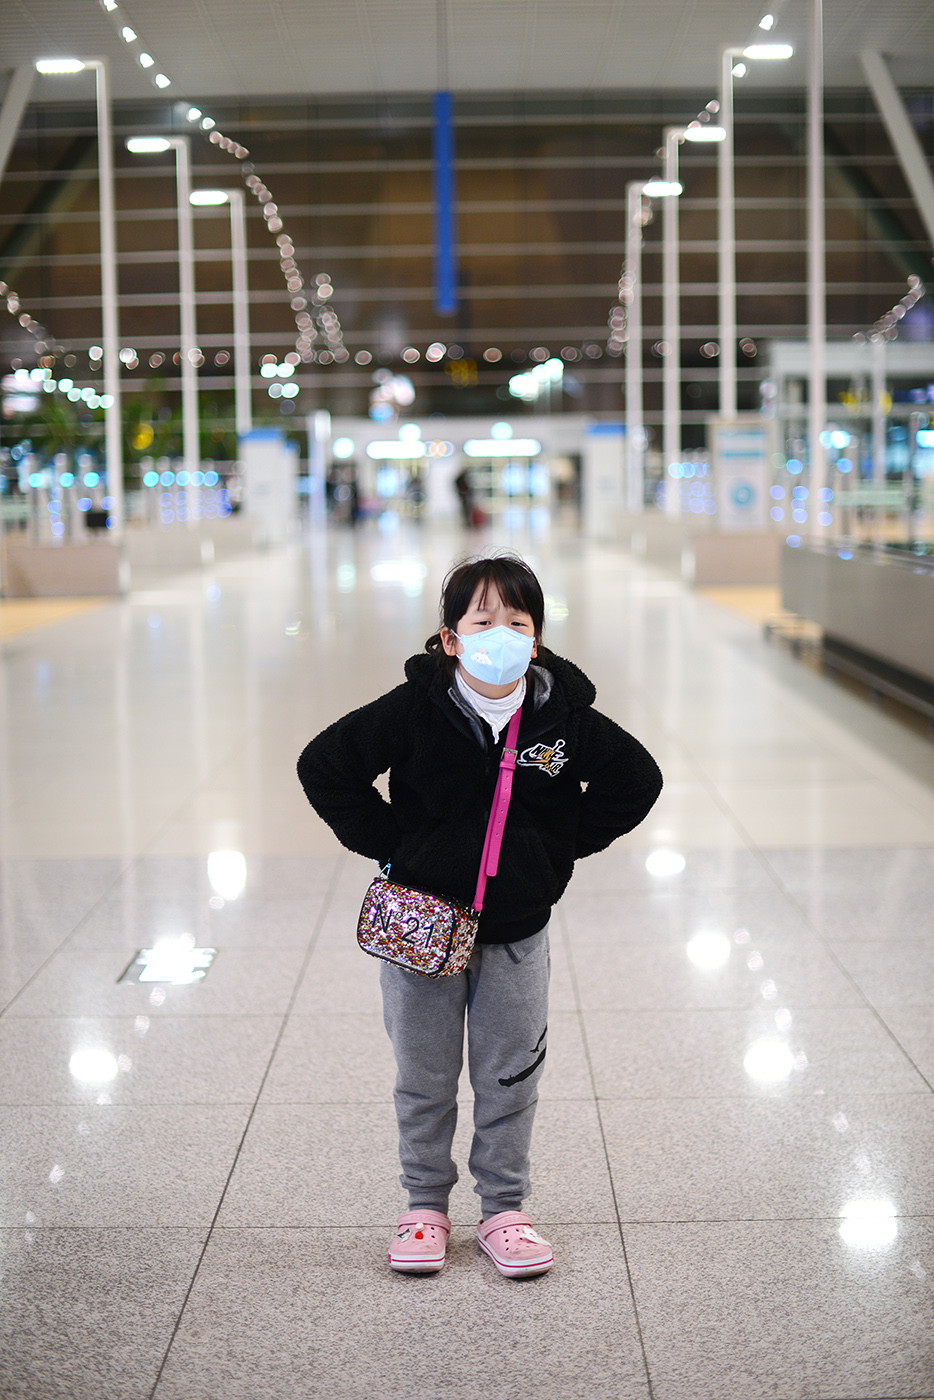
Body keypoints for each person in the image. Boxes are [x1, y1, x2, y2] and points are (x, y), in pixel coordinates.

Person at [297, 552, 662, 1278]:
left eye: (518, 623)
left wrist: (552, 852)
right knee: (424, 1075)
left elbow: (637, 780)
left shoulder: (562, 718)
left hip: (517, 933)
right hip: (424, 927)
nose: (502, 635)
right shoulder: (415, 709)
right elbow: (324, 766)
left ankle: (504, 1211)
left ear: (538, 640)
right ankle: (424, 1207)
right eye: (483, 620)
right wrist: (396, 846)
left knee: (509, 1075)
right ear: (451, 638)